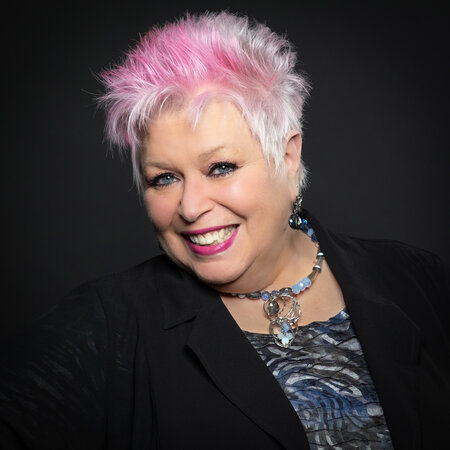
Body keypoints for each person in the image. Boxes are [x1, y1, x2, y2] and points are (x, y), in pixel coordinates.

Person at [0, 11, 448, 450]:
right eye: (164, 178)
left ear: (287, 157)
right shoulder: (107, 326)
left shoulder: (415, 278)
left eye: (220, 167)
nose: (191, 207)